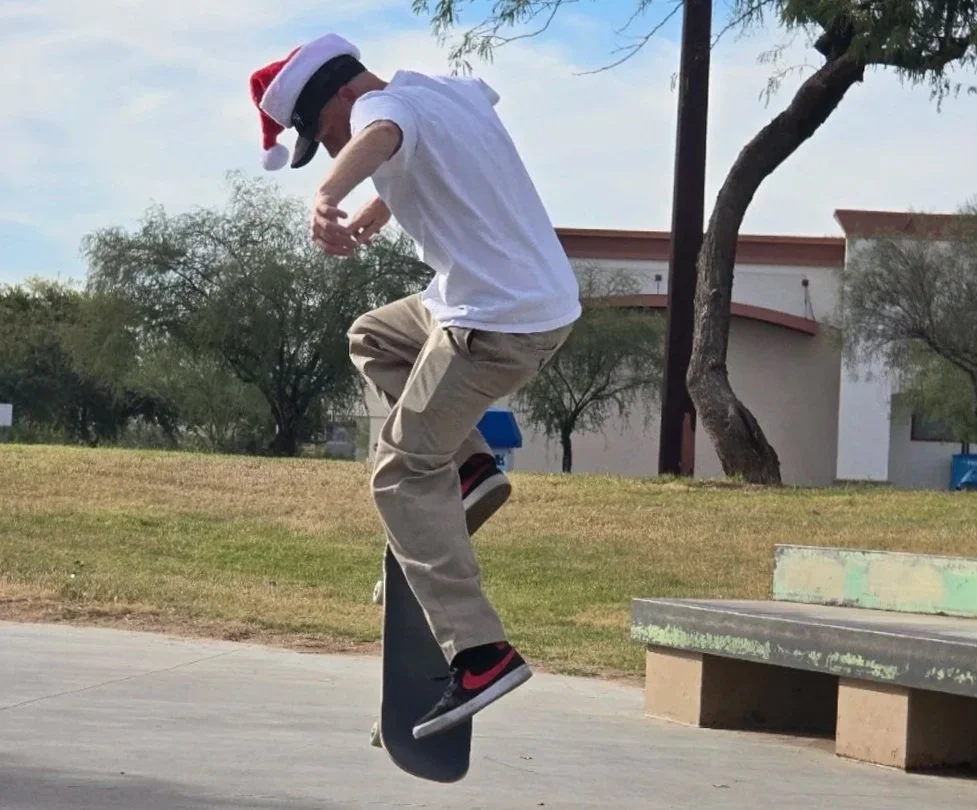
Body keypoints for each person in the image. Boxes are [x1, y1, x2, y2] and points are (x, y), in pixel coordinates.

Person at [249, 33, 580, 740]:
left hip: (494, 322)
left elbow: (381, 131)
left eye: (330, 134)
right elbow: (448, 155)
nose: (337, 145)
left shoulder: (386, 108)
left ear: (342, 94)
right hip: (514, 296)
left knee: (397, 472)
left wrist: (330, 192)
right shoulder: (446, 91)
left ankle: (481, 653)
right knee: (373, 335)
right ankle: (466, 468)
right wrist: (384, 206)